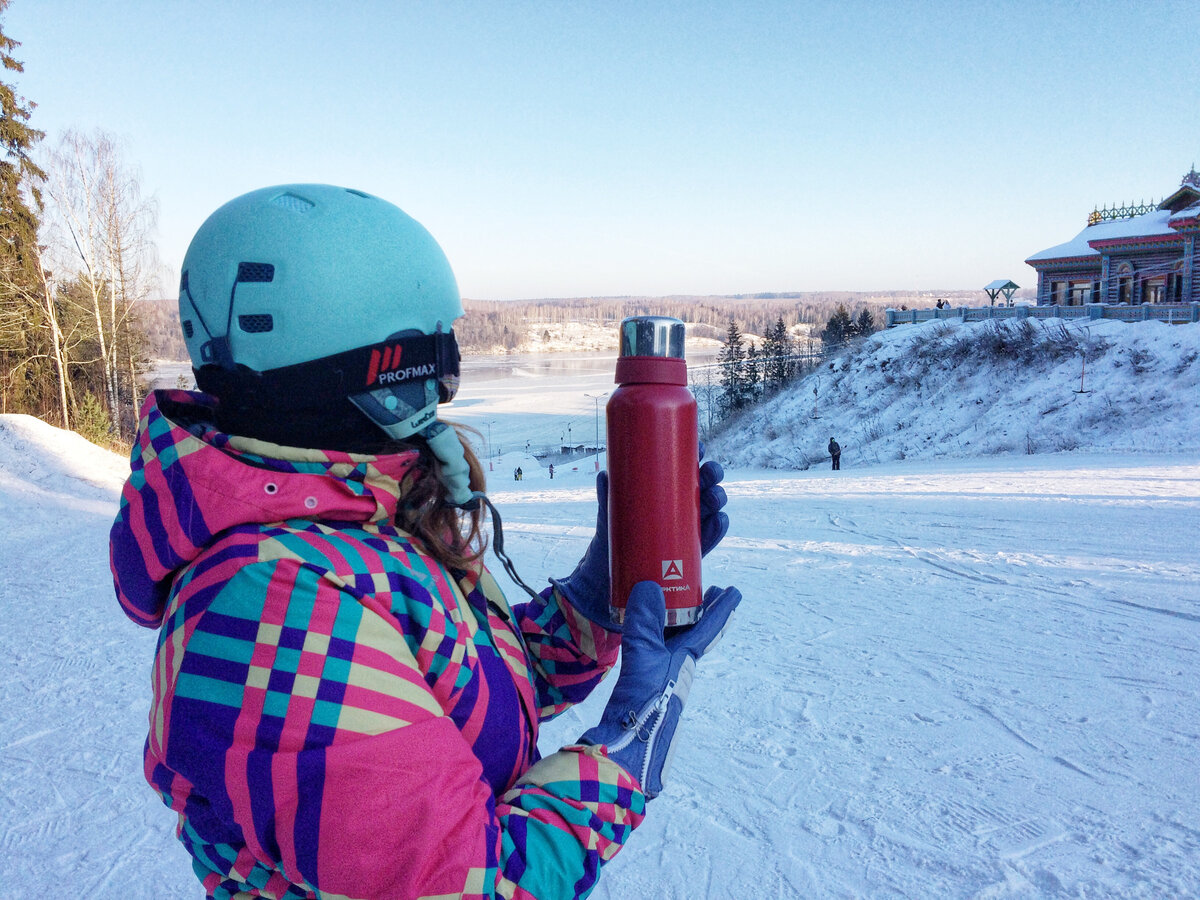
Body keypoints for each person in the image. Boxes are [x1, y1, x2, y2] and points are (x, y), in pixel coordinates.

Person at [109, 184, 740, 900]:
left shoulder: (362, 526)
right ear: (373, 365)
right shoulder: (266, 605)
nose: (445, 386)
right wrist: (624, 750)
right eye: (434, 352)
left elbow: (467, 687)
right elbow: (468, 884)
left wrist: (593, 603)